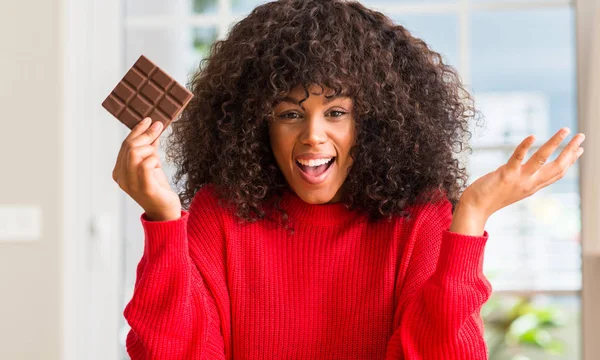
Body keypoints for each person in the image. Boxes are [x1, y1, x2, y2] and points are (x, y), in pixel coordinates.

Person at [111, 0, 585, 359]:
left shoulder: (417, 216)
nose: (313, 136)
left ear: (375, 122)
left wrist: (472, 215)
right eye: (290, 114)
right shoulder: (221, 212)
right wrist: (164, 218)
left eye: (336, 112)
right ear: (258, 125)